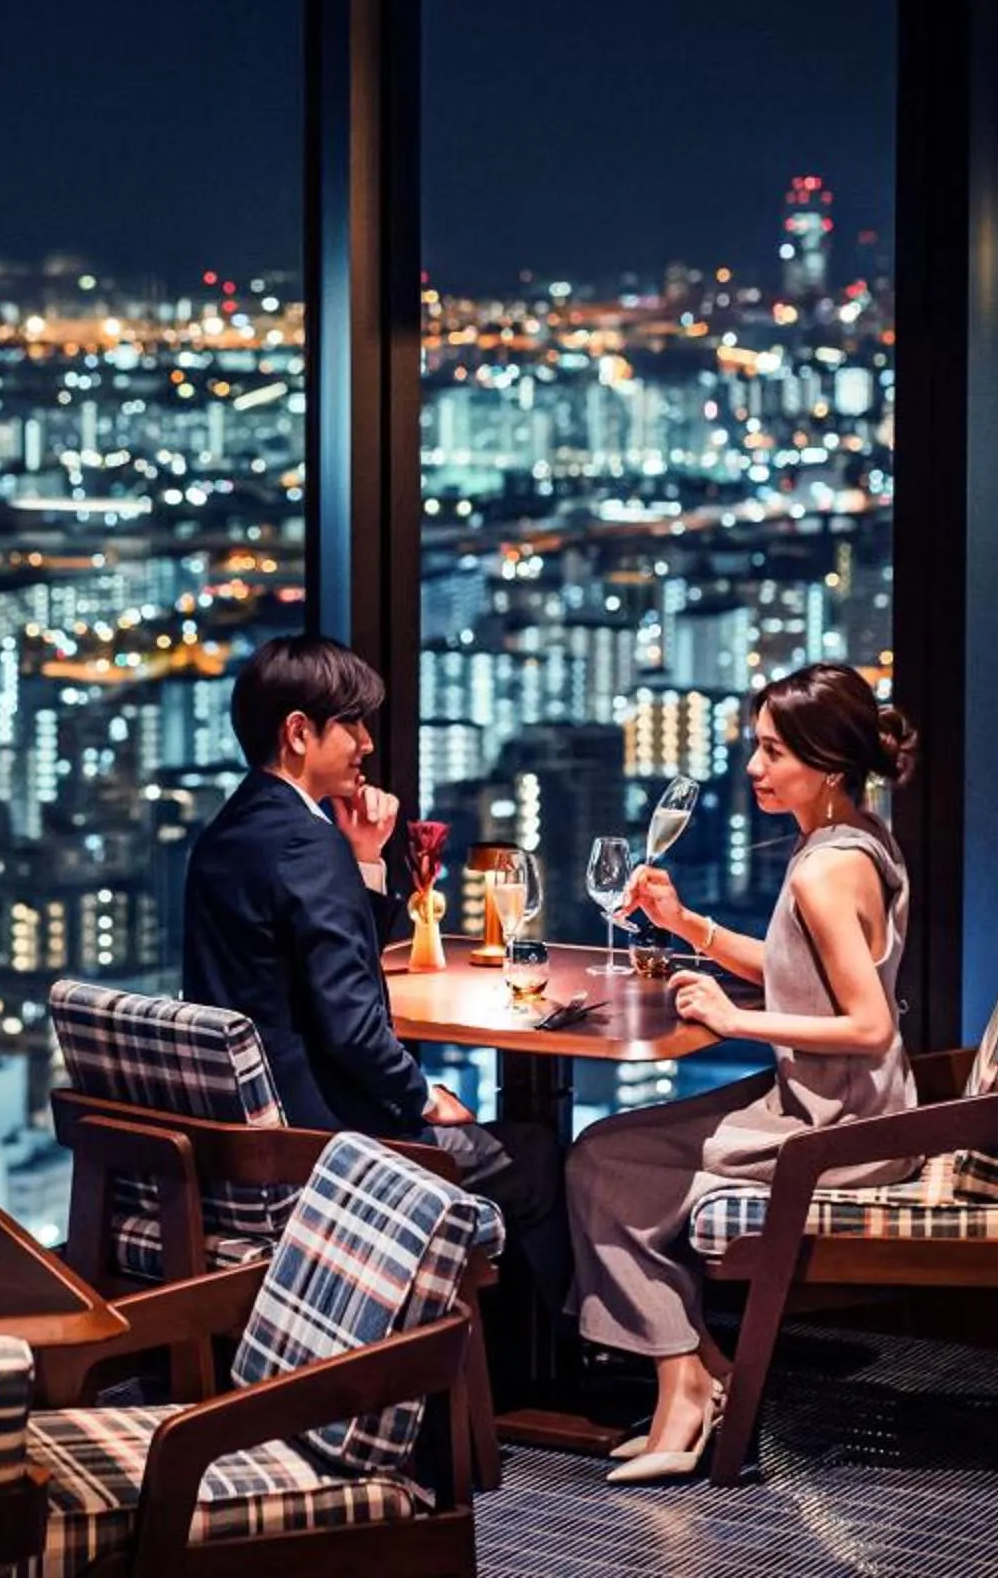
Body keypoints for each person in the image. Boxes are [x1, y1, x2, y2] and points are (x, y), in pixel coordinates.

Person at [564, 661, 921, 1484]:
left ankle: (685, 1379)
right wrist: (690, 926)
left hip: (841, 1124)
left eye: (772, 752)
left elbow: (866, 1025)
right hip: (832, 1100)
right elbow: (810, 975)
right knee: (612, 1153)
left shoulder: (825, 869)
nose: (754, 769)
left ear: (827, 762)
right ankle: (689, 1372)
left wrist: (730, 1019)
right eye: (755, 748)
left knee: (603, 1163)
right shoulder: (851, 838)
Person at [183, 633, 568, 1307]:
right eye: (352, 724)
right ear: (299, 732)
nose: (366, 742)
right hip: (324, 1148)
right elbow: (352, 1029)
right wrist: (420, 1098)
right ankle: (549, 1378)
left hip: (241, 1144)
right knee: (533, 1156)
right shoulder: (307, 842)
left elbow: (309, 959)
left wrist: (362, 857)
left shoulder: (230, 830)